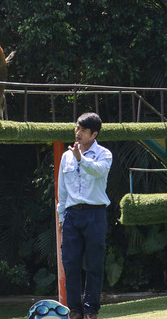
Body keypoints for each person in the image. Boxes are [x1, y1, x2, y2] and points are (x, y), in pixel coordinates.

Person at [57, 112, 112, 319]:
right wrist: (62, 216)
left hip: (95, 214)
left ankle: (91, 309)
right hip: (72, 215)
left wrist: (82, 160)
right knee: (70, 263)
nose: (78, 133)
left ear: (94, 134)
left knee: (94, 263)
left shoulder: (104, 154)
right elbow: (62, 190)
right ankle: (75, 309)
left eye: (83, 130)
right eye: (77, 128)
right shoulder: (66, 156)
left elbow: (99, 171)